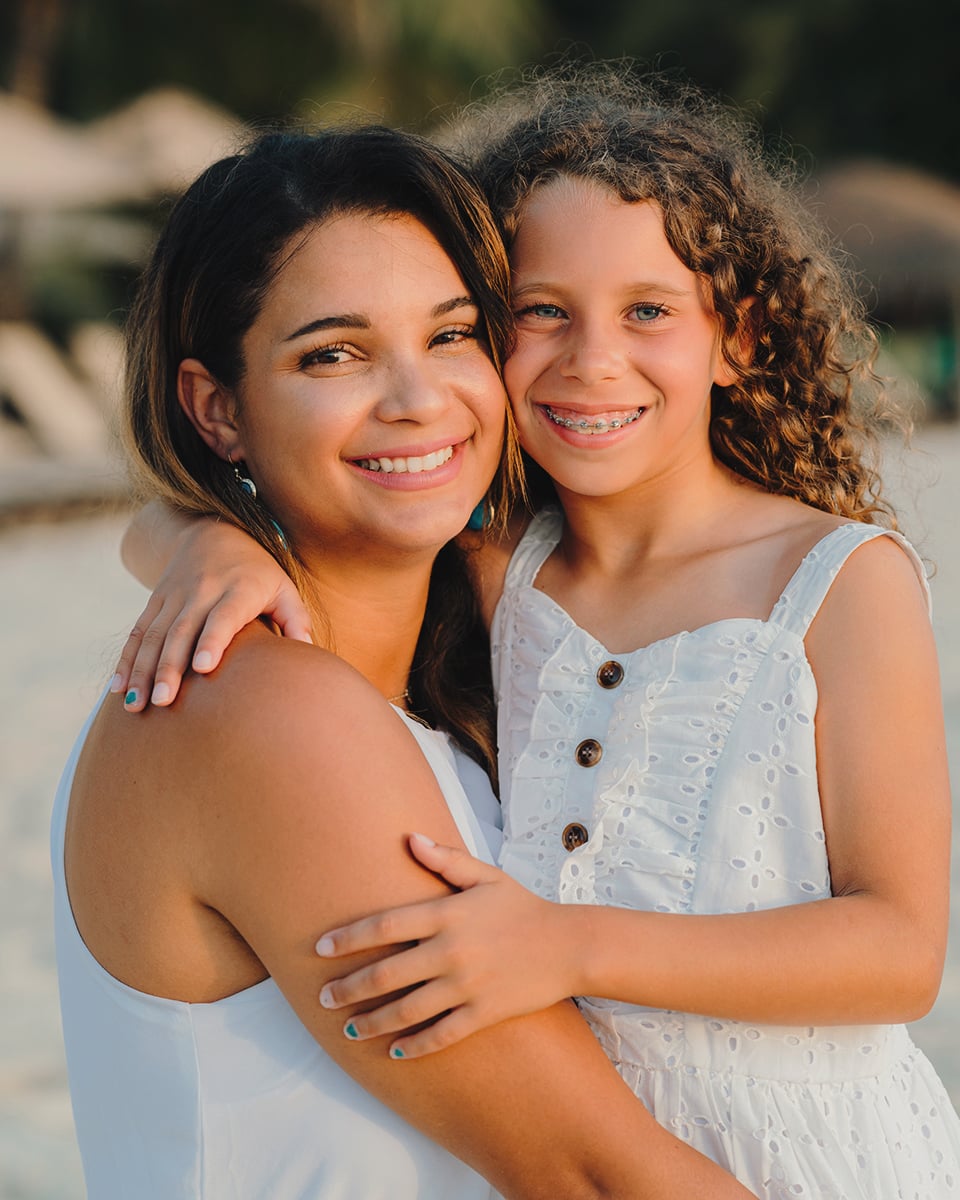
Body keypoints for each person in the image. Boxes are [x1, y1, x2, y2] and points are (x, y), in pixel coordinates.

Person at [113, 67, 960, 1197]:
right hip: (594, 1139)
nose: (591, 360)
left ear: (739, 339)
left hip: (823, 1152)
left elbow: (903, 952)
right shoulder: (495, 557)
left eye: (649, 312)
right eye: (539, 313)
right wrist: (203, 543)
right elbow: (248, 489)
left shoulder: (835, 580)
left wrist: (572, 946)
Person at [53, 123, 756, 1199]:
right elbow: (592, 1174)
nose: (417, 399)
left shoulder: (459, 676)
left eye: (453, 334)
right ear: (216, 410)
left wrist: (187, 532)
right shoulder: (262, 711)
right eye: (333, 353)